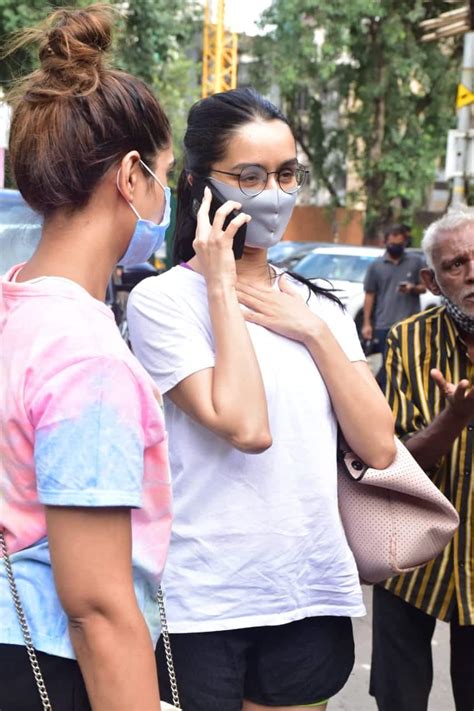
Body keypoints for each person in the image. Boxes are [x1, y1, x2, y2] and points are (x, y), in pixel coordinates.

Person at [127, 87, 396, 711]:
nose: (273, 192)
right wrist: (221, 286)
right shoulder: (162, 302)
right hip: (200, 604)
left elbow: (379, 445)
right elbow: (245, 428)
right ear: (200, 183)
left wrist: (310, 329)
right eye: (250, 176)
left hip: (308, 590)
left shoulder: (320, 300)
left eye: (287, 173)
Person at [0, 6, 174, 710]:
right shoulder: (84, 358)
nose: (165, 198)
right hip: (52, 668)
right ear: (130, 176)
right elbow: (97, 607)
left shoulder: (14, 307)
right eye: (165, 176)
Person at [369, 210, 474, 711]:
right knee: (399, 698)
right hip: (411, 560)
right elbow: (390, 461)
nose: (473, 272)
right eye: (457, 264)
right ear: (431, 280)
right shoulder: (408, 340)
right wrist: (454, 418)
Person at [362, 224, 426, 353]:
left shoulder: (416, 261)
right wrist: (367, 323)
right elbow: (369, 295)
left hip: (411, 323)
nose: (395, 247)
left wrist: (412, 288)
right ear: (385, 242)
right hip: (384, 324)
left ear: (405, 243)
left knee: (409, 363)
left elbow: (424, 287)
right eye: (392, 244)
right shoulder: (376, 266)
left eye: (399, 244)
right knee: (388, 364)